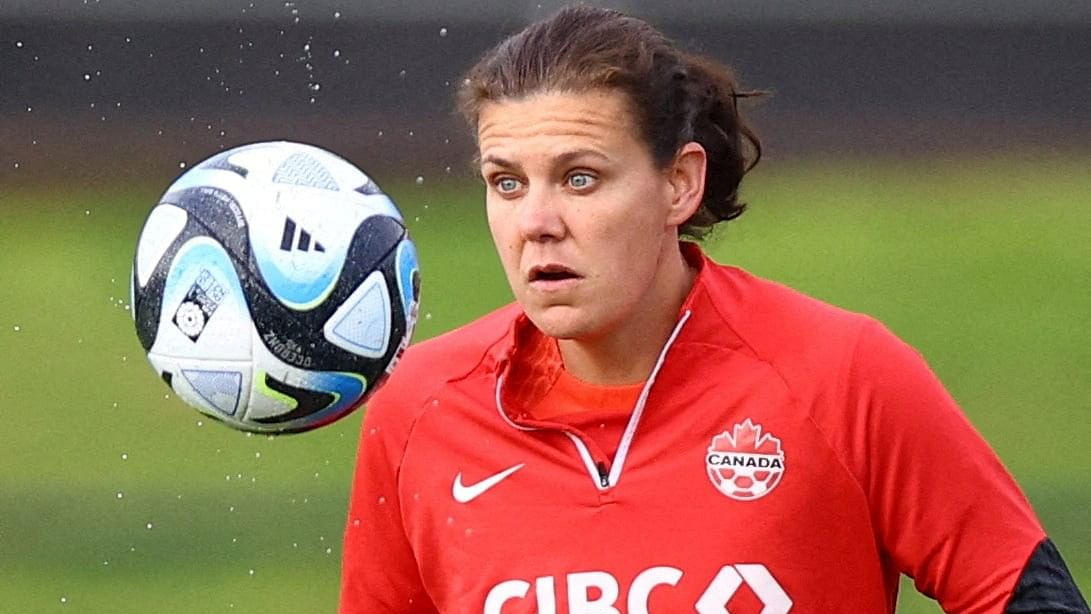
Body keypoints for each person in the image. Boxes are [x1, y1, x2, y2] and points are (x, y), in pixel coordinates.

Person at [340, 6, 1087, 613]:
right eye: (505, 182)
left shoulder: (840, 375)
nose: (535, 220)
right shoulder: (421, 408)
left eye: (579, 178)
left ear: (678, 184)